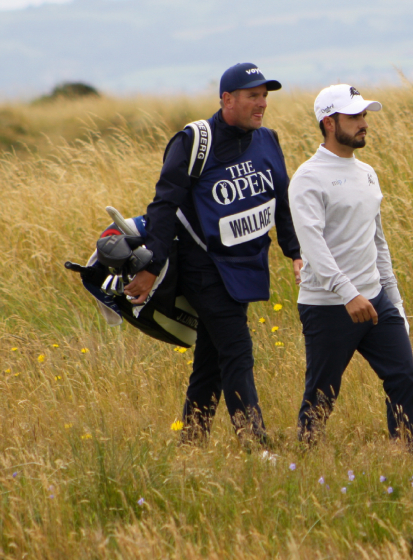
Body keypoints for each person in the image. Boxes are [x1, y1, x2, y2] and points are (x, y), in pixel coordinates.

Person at [124, 62, 302, 444]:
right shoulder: (193, 141)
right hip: (205, 268)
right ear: (227, 99)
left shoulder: (268, 139)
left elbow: (282, 201)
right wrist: (151, 266)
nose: (262, 104)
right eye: (253, 96)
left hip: (246, 269)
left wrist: (295, 251)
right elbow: (163, 205)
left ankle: (192, 439)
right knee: (237, 351)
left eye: (264, 96)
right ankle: (256, 444)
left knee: (211, 359)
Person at [288, 84, 413, 448]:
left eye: (364, 115)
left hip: (375, 301)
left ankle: (404, 457)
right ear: (329, 122)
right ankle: (305, 461)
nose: (364, 123)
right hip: (329, 306)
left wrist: (396, 304)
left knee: (404, 378)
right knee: (322, 395)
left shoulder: (367, 174)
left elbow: (378, 243)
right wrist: (348, 294)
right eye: (354, 117)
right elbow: (312, 248)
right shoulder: (308, 178)